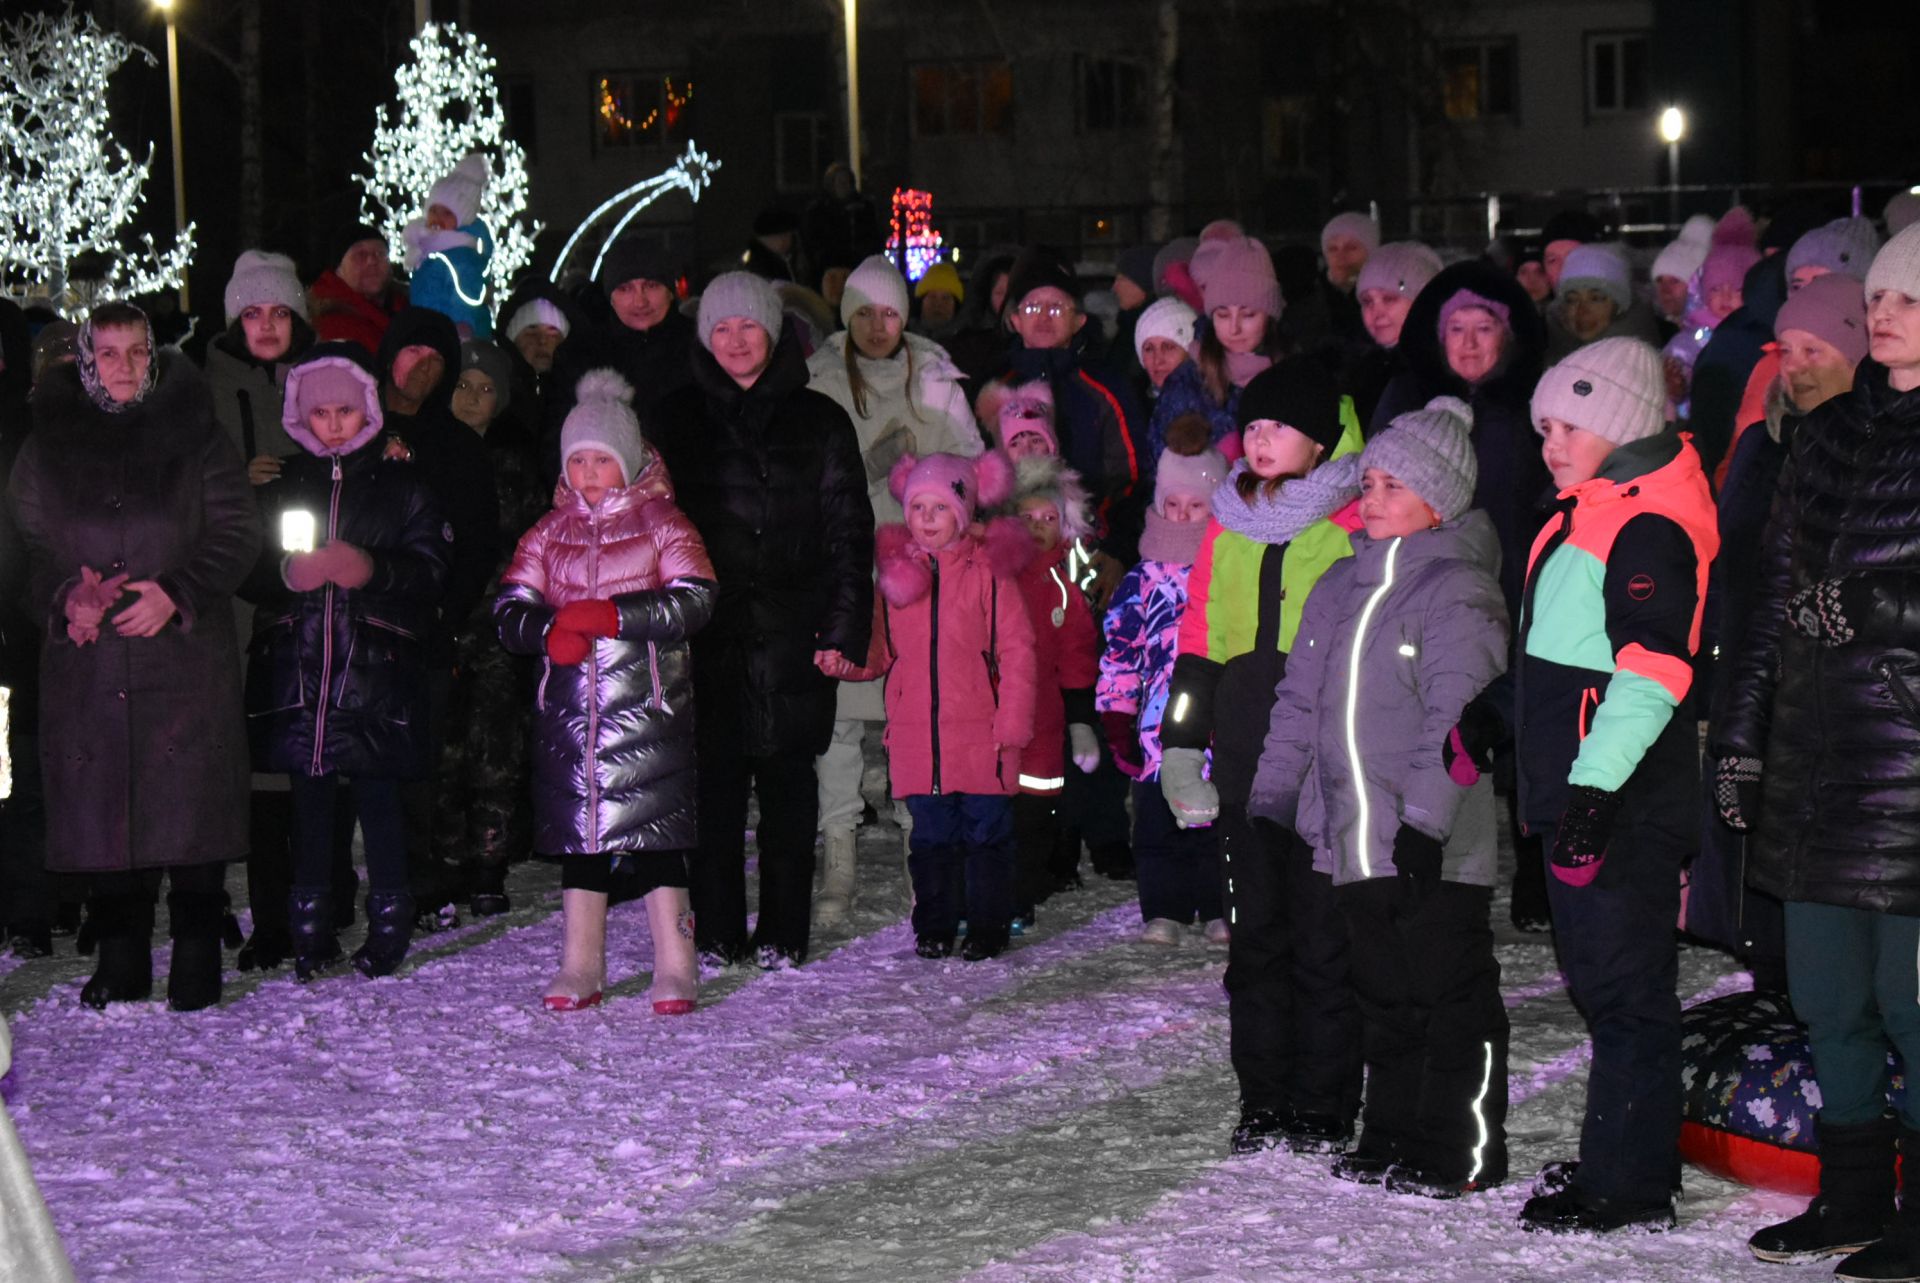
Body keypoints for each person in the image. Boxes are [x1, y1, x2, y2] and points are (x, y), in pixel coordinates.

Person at [1714, 225, 1920, 1277]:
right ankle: (1849, 1198)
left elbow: (1853, 600)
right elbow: (1768, 610)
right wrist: (1744, 740)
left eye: (1909, 302)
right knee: (1827, 997)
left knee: (1911, 1004)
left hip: (1906, 769)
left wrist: (1882, 601)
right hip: (1814, 760)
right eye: (1879, 299)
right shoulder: (1827, 435)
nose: (1884, 316)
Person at [1251, 396, 1510, 1197]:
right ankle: (1392, 1129)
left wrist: (1427, 820)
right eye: (1368, 482)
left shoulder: (1458, 590)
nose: (1372, 498)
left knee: (1446, 995)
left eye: (1394, 485)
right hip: (1354, 839)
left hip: (1433, 842)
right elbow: (1299, 700)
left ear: (1442, 498)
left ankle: (1460, 1146)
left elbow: (1459, 715)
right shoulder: (1337, 585)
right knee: (1382, 997)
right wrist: (1271, 800)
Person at [1513, 337, 1717, 1234]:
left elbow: (1651, 672)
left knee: (1627, 991)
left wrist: (1592, 792)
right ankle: (1619, 1155)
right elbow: (1566, 654)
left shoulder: (1648, 524)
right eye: (1545, 426)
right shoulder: (1589, 508)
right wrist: (1498, 713)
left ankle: (1630, 1184)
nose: (1552, 442)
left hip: (1620, 797)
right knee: (1599, 983)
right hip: (1578, 782)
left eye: (1571, 425)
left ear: (1622, 424)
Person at [10, 303, 262, 1010]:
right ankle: (120, 955)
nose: (123, 368)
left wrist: (177, 592)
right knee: (104, 806)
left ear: (156, 357)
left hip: (181, 658)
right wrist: (66, 600)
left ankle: (196, 954)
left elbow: (237, 532)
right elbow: (26, 551)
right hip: (89, 667)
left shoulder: (199, 436)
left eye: (137, 353)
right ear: (85, 360)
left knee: (189, 804)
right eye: (109, 353)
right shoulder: (45, 447)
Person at [1158, 357, 1365, 1155]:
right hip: (1244, 761)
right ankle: (1265, 1096)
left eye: (1281, 425)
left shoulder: (1352, 522)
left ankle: (1324, 1099)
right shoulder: (1227, 519)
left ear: (1320, 440)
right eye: (1254, 425)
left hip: (1322, 765)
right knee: (1254, 937)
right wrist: (1182, 742)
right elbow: (1201, 638)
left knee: (1323, 936)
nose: (1262, 438)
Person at [648, 271, 874, 969]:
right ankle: (715, 931)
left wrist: (843, 630)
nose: (736, 341)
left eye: (749, 327)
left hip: (793, 632)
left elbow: (848, 534)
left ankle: (783, 931)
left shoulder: (820, 419)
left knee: (787, 789)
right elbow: (646, 525)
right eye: (722, 328)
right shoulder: (676, 419)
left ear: (774, 334)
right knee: (711, 793)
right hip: (703, 637)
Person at [496, 371, 716, 1014]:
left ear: (629, 460)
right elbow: (510, 606)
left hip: (647, 709)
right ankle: (580, 962)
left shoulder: (661, 522)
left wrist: (619, 616)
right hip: (572, 715)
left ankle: (676, 964)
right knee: (582, 844)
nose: (590, 473)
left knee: (655, 841)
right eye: (579, 461)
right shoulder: (547, 531)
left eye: (603, 460)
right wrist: (545, 631)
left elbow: (696, 597)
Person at [243, 343, 450, 981]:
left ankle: (390, 919)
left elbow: (433, 568)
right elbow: (247, 564)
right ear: (301, 417)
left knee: (378, 797)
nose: (334, 424)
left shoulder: (402, 485)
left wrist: (372, 569)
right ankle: (310, 924)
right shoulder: (286, 488)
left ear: (368, 410)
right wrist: (282, 572)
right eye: (321, 412)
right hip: (302, 669)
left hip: (374, 674)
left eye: (345, 410)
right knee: (308, 802)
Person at [1691, 273, 1868, 996]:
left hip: (1848, 710)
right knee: (1762, 896)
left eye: (1814, 348)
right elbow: (1732, 574)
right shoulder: (1764, 446)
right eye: (1785, 348)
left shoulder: (1877, 452)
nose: (1794, 365)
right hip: (1761, 691)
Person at [804, 255, 981, 926]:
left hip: (924, 572)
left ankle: (923, 848)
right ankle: (839, 857)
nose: (877, 327)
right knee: (844, 721)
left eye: (889, 313)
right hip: (847, 569)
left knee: (918, 715)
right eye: (864, 312)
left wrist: (930, 480)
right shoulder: (822, 378)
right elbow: (812, 471)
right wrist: (866, 468)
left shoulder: (934, 377)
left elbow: (968, 466)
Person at [835, 451, 1036, 960]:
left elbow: (1017, 648)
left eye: (939, 507)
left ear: (963, 513)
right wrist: (845, 661)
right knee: (930, 839)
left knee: (986, 835)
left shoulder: (987, 572)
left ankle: (989, 925)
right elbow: (879, 650)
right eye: (918, 506)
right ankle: (936, 924)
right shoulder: (897, 578)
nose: (926, 518)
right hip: (917, 735)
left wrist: (1012, 717)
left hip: (981, 732)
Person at [372, 308, 502, 929]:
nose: (420, 365)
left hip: (427, 628)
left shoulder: (460, 449)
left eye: (435, 357)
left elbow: (476, 542)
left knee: (423, 760)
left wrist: (448, 610)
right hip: (359, 627)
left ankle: (423, 882)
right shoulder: (355, 431)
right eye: (410, 351)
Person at [1099, 416, 1229, 944]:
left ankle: (1220, 905)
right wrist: (1116, 715)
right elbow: (1121, 652)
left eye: (1195, 506)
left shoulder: (1227, 569)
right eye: (1173, 505)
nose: (1182, 516)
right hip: (1156, 730)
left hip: (1217, 728)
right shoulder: (1142, 578)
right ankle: (1165, 908)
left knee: (1216, 822)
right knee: (1156, 826)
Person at [433, 340, 547, 915]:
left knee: (494, 747)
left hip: (499, 625)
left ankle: (488, 863)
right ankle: (448, 861)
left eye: (486, 389)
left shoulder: (515, 459)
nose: (474, 398)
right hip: (441, 621)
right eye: (463, 385)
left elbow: (531, 541)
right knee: (445, 748)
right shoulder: (426, 450)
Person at [984, 248, 1148, 570]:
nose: (1044, 316)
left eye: (1057, 307)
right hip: (1011, 557)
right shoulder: (993, 389)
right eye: (1032, 306)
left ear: (1078, 320)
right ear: (1015, 319)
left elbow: (1132, 480)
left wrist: (1114, 548)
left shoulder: (1108, 389)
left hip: (1088, 556)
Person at [996, 452, 1101, 929]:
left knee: (1035, 812)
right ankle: (983, 893)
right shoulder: (994, 577)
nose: (1038, 527)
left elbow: (1077, 658)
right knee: (989, 811)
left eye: (1049, 519)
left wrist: (1080, 721)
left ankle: (1020, 894)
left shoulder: (1065, 590)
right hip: (991, 718)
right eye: (1027, 517)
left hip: (1044, 724)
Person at [542, 236, 695, 484]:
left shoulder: (702, 346)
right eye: (625, 289)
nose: (640, 300)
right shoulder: (581, 356)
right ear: (610, 295)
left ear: (670, 290)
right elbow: (556, 444)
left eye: (651, 285)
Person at [1148, 235, 1288, 458]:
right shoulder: (1187, 382)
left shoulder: (1296, 377)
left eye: (1248, 315)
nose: (1234, 329)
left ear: (1270, 316)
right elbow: (1161, 469)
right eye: (1222, 315)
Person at [205, 250, 315, 483]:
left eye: (280, 312)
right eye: (252, 314)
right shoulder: (206, 392)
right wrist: (240, 478)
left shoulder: (328, 376)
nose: (267, 325)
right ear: (237, 323)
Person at [1348, 242, 1443, 429]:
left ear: (1423, 300)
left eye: (1389, 298)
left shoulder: (1442, 373)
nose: (1377, 312)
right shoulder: (1358, 370)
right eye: (1367, 301)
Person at [402, 152, 494, 338]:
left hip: (455, 334)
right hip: (430, 331)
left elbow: (468, 298)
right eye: (433, 210)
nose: (437, 217)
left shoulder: (460, 255)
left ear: (462, 219)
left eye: (447, 213)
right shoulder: (427, 250)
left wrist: (461, 331)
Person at [1546, 243, 1661, 360]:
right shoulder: (1553, 349)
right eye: (1572, 300)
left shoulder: (1632, 361)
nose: (1581, 311)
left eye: (1595, 299)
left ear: (1619, 307)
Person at [309, 227, 405, 355]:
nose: (372, 261)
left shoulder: (408, 309)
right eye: (360, 255)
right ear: (338, 269)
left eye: (380, 254)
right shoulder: (328, 327)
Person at [802, 164, 882, 280]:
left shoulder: (864, 208)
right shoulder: (818, 211)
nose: (846, 186)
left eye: (848, 182)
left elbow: (873, 236)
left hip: (860, 269)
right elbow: (813, 243)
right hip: (829, 270)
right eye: (841, 182)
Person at [1133, 296, 1198, 407]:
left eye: (1168, 347)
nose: (1158, 360)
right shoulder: (1134, 405)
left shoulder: (1213, 407)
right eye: (1149, 349)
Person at [912, 260, 965, 340]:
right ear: (921, 302)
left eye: (946, 298)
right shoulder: (901, 340)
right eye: (932, 297)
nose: (938, 304)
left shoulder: (969, 344)